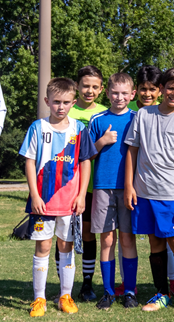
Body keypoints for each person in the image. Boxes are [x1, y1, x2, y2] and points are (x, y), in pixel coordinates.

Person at [123, 67, 174, 313]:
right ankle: (161, 293)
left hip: (171, 195)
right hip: (144, 193)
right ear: (161, 89)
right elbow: (132, 151)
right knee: (155, 243)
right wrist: (129, 185)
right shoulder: (143, 115)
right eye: (170, 87)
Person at [22, 77, 97, 317]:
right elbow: (30, 162)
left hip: (70, 203)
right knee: (43, 246)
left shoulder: (79, 129)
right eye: (56, 102)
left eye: (66, 102)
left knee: (66, 247)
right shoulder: (37, 127)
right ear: (47, 101)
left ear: (73, 102)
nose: (61, 107)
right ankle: (39, 299)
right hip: (43, 202)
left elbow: (85, 162)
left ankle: (66, 295)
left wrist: (82, 195)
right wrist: (34, 195)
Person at [125, 65, 174, 297]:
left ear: (159, 90)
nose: (147, 94)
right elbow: (131, 150)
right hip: (135, 186)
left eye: (151, 90)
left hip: (167, 188)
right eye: (142, 89)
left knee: (168, 237)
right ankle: (130, 285)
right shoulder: (129, 113)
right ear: (136, 91)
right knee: (133, 236)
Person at [88, 73, 139, 310]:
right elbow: (86, 154)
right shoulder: (97, 119)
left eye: (124, 93)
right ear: (107, 93)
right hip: (102, 187)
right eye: (115, 93)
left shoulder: (137, 118)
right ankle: (108, 292)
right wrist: (102, 141)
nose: (119, 97)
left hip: (130, 188)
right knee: (107, 239)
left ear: (132, 94)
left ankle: (129, 291)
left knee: (127, 238)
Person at [68, 65, 107, 302]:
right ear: (77, 86)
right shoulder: (65, 111)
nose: (89, 90)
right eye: (85, 86)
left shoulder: (106, 112)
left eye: (94, 87)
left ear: (101, 89)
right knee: (66, 236)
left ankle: (87, 284)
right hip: (68, 186)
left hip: (95, 186)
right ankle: (65, 286)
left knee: (90, 235)